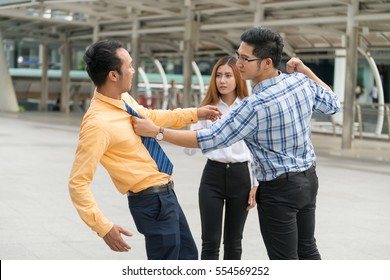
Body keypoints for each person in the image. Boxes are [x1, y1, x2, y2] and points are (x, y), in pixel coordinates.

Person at [132, 26, 341, 260]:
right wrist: (305, 70)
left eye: (245, 58)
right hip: (308, 181)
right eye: (238, 54)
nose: (238, 63)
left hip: (279, 190)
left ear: (267, 62)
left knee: (284, 260)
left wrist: (158, 132)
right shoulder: (300, 82)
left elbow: (210, 138)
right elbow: (333, 103)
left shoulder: (253, 105)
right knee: (308, 249)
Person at [68, 39, 221, 260]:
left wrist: (196, 113)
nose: (132, 70)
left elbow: (152, 117)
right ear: (113, 75)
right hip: (151, 201)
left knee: (188, 257)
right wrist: (102, 226)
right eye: (129, 66)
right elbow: (77, 182)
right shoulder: (97, 124)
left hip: (167, 194)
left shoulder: (123, 99)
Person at [185, 56, 258, 260]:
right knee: (210, 242)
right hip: (212, 177)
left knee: (234, 243)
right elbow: (190, 150)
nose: (222, 80)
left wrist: (256, 184)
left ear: (238, 78)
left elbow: (257, 150)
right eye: (218, 75)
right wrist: (197, 118)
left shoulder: (248, 107)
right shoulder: (207, 108)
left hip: (241, 177)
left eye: (228, 75)